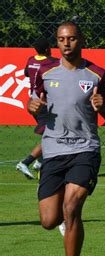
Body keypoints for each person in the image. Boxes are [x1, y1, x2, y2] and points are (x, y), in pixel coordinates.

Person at [27, 21, 105, 256]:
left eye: (71, 39)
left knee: (72, 208)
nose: (66, 44)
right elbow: (34, 102)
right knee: (48, 220)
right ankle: (65, 225)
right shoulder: (44, 73)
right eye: (60, 39)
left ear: (81, 40)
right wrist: (32, 106)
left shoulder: (97, 74)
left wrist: (103, 108)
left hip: (85, 150)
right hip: (53, 151)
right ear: (56, 43)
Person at [16, 37, 57, 179]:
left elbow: (26, 73)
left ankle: (40, 162)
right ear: (47, 49)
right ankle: (26, 162)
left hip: (32, 101)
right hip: (43, 103)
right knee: (52, 136)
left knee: (53, 134)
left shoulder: (31, 60)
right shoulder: (51, 62)